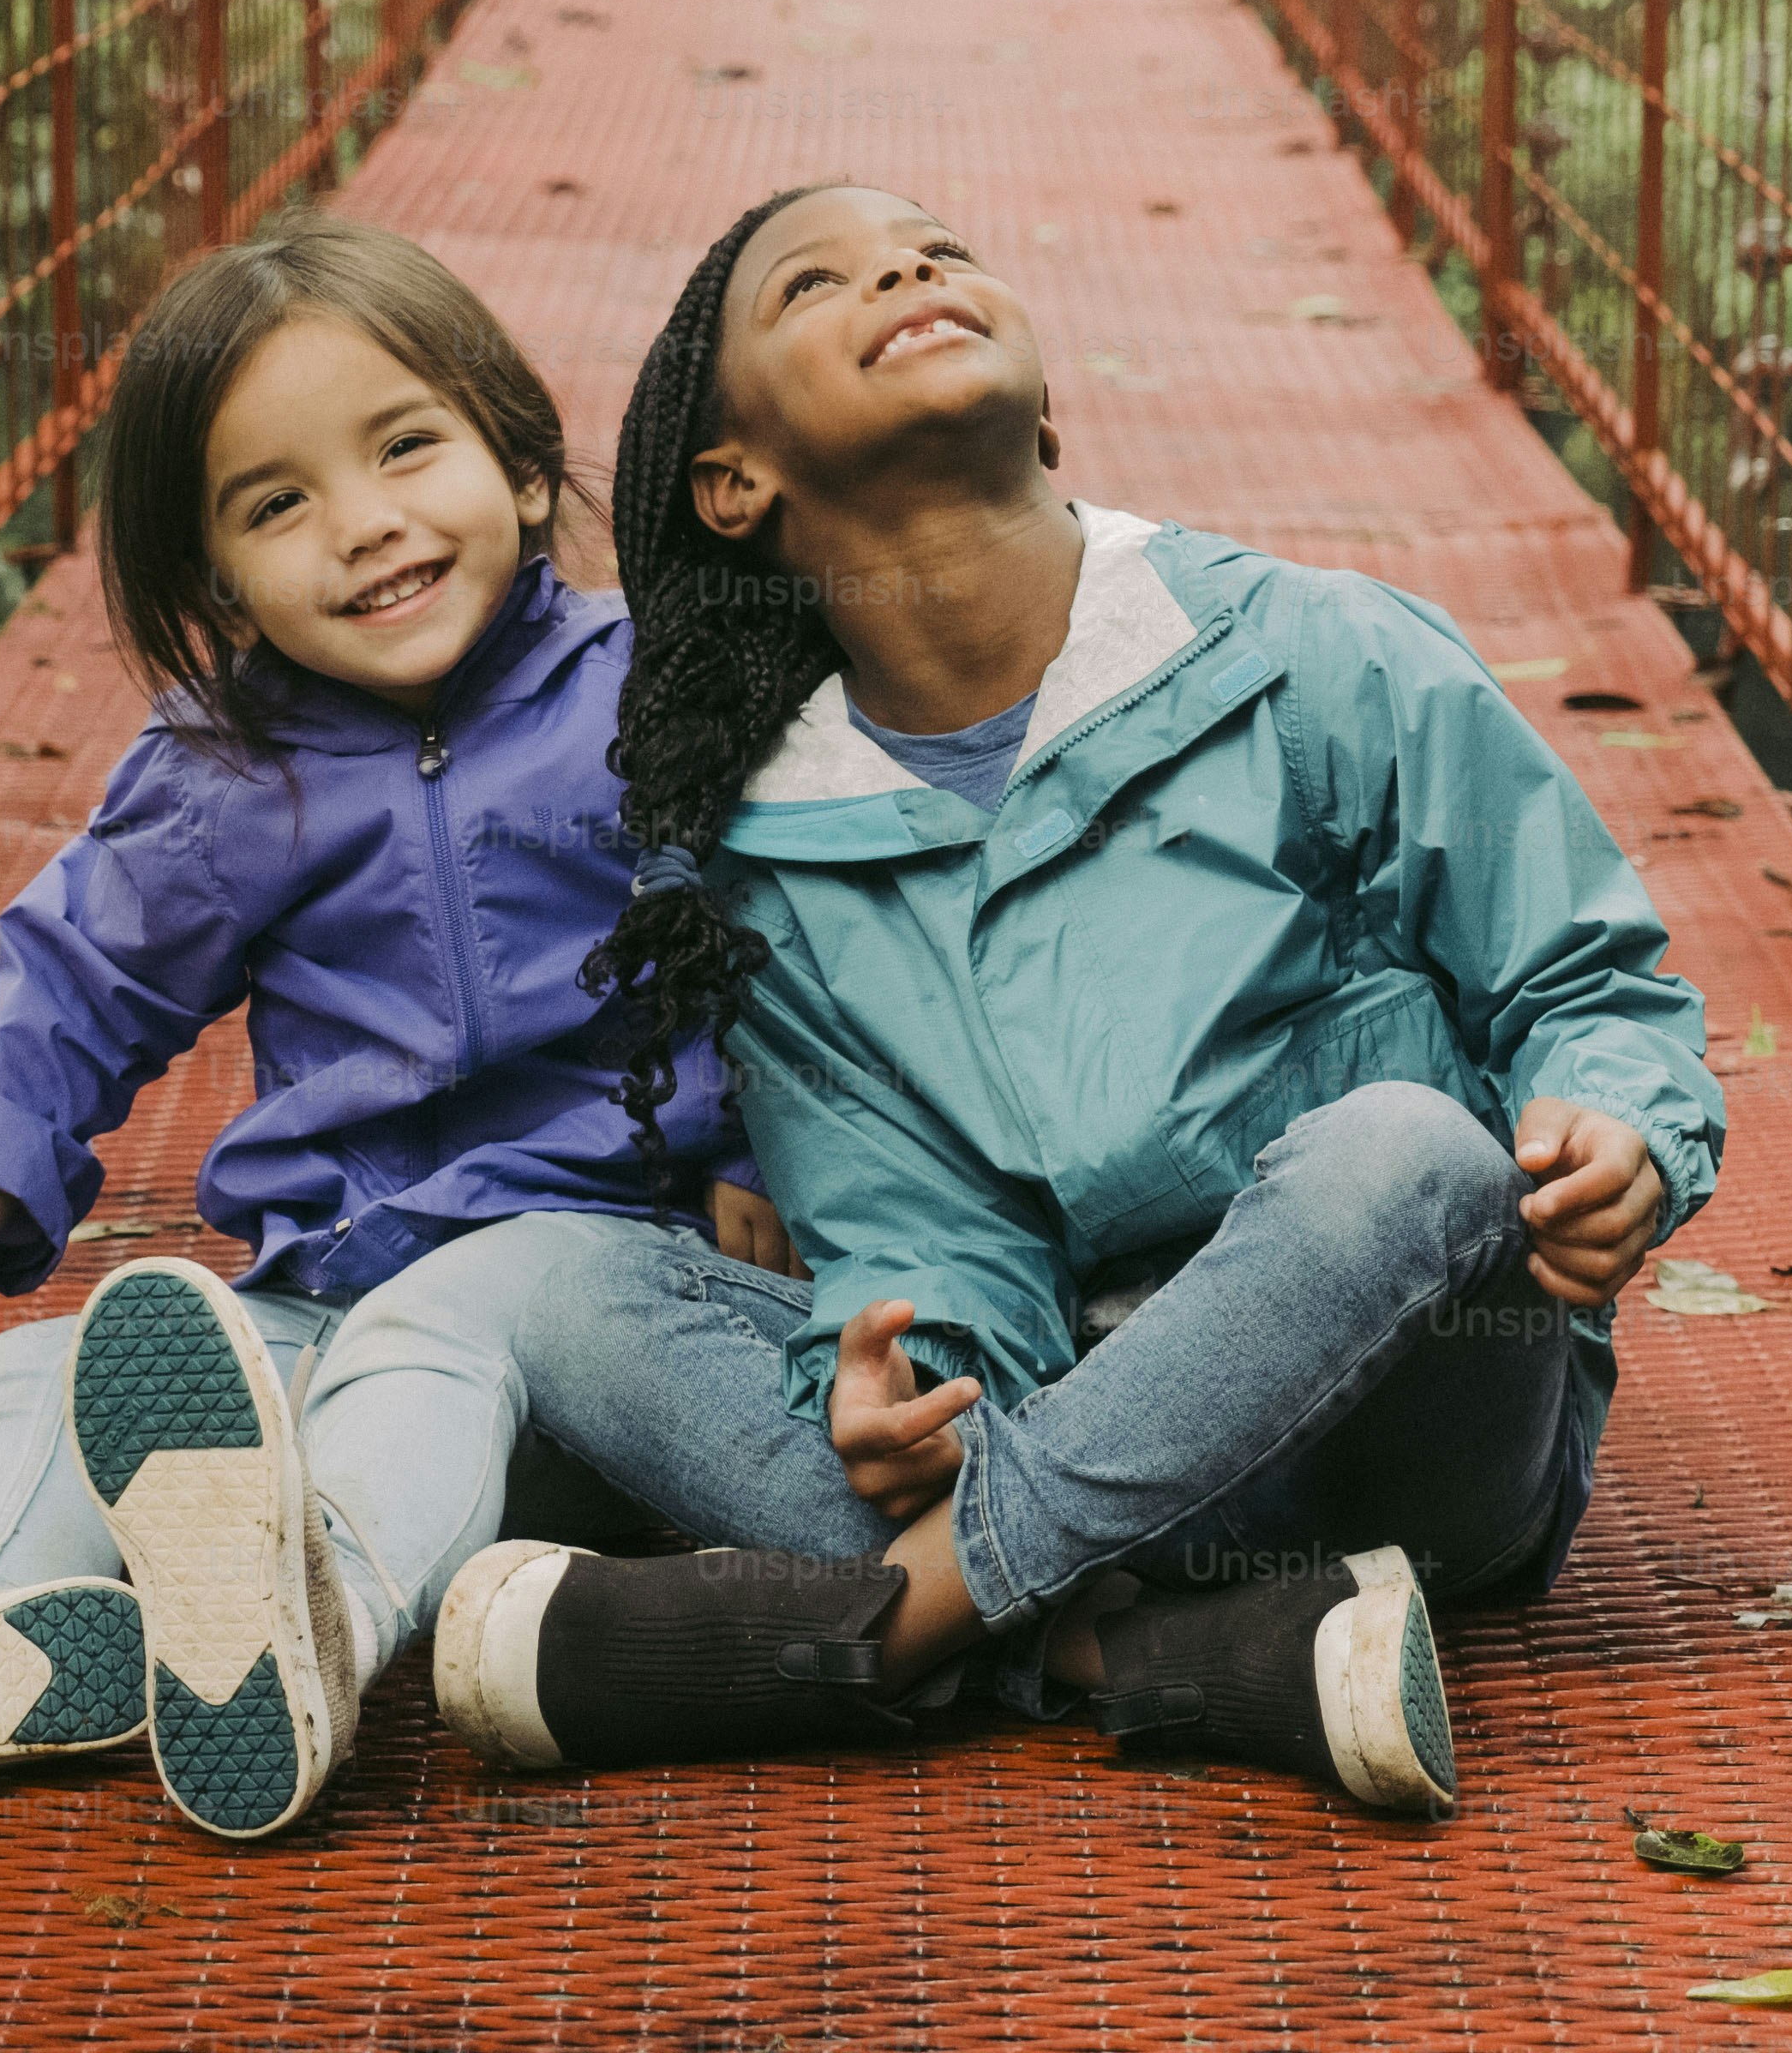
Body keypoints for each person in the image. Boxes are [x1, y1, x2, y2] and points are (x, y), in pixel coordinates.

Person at [422, 183, 1723, 1817]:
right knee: (572, 1290)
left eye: (942, 248)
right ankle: (1165, 1655)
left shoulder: (1315, 655)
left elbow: (1589, 979)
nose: (906, 266)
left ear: (1042, 405)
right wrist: (911, 1377)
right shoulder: (777, 868)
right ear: (733, 481)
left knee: (1407, 1147)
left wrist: (1622, 1128)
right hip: (1088, 1436)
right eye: (815, 283)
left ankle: (898, 1629)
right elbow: (914, 1225)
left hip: (1406, 1441)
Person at [0, 213, 788, 1838]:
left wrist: (764, 1153)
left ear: (522, 469)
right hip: (340, 1280)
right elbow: (86, 970)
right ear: (215, 574)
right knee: (37, 1373)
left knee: (470, 1318)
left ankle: (320, 1620)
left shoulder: (646, 690)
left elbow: (790, 936)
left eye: (405, 450)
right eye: (277, 505)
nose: (363, 528)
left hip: (606, 1299)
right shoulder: (235, 773)